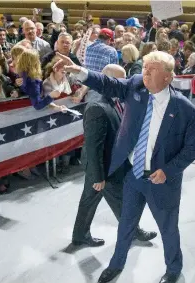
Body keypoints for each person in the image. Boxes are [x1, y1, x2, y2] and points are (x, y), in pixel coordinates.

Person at [56, 50, 195, 283]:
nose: (145, 72)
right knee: (125, 225)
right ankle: (116, 265)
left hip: (161, 180)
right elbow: (107, 82)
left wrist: (168, 170)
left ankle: (174, 270)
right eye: (144, 67)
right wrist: (81, 72)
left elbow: (193, 146)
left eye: (152, 69)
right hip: (133, 175)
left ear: (167, 77)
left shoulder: (185, 109)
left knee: (168, 229)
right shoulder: (135, 86)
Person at [71, 64, 157, 247]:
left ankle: (80, 235)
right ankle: (132, 231)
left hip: (111, 164)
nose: (125, 83)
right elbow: (94, 147)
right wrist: (98, 176)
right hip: (103, 166)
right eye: (119, 80)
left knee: (93, 199)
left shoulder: (115, 100)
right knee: (117, 198)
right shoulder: (97, 107)